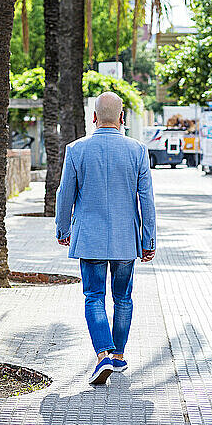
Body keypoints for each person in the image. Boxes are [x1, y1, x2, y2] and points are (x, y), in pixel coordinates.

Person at [55, 92, 156, 385]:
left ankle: (103, 356)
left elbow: (65, 196)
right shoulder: (137, 150)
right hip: (126, 240)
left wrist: (63, 230)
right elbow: (146, 200)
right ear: (122, 118)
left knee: (94, 296)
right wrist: (148, 240)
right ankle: (119, 356)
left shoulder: (76, 150)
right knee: (123, 297)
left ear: (94, 118)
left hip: (90, 238)